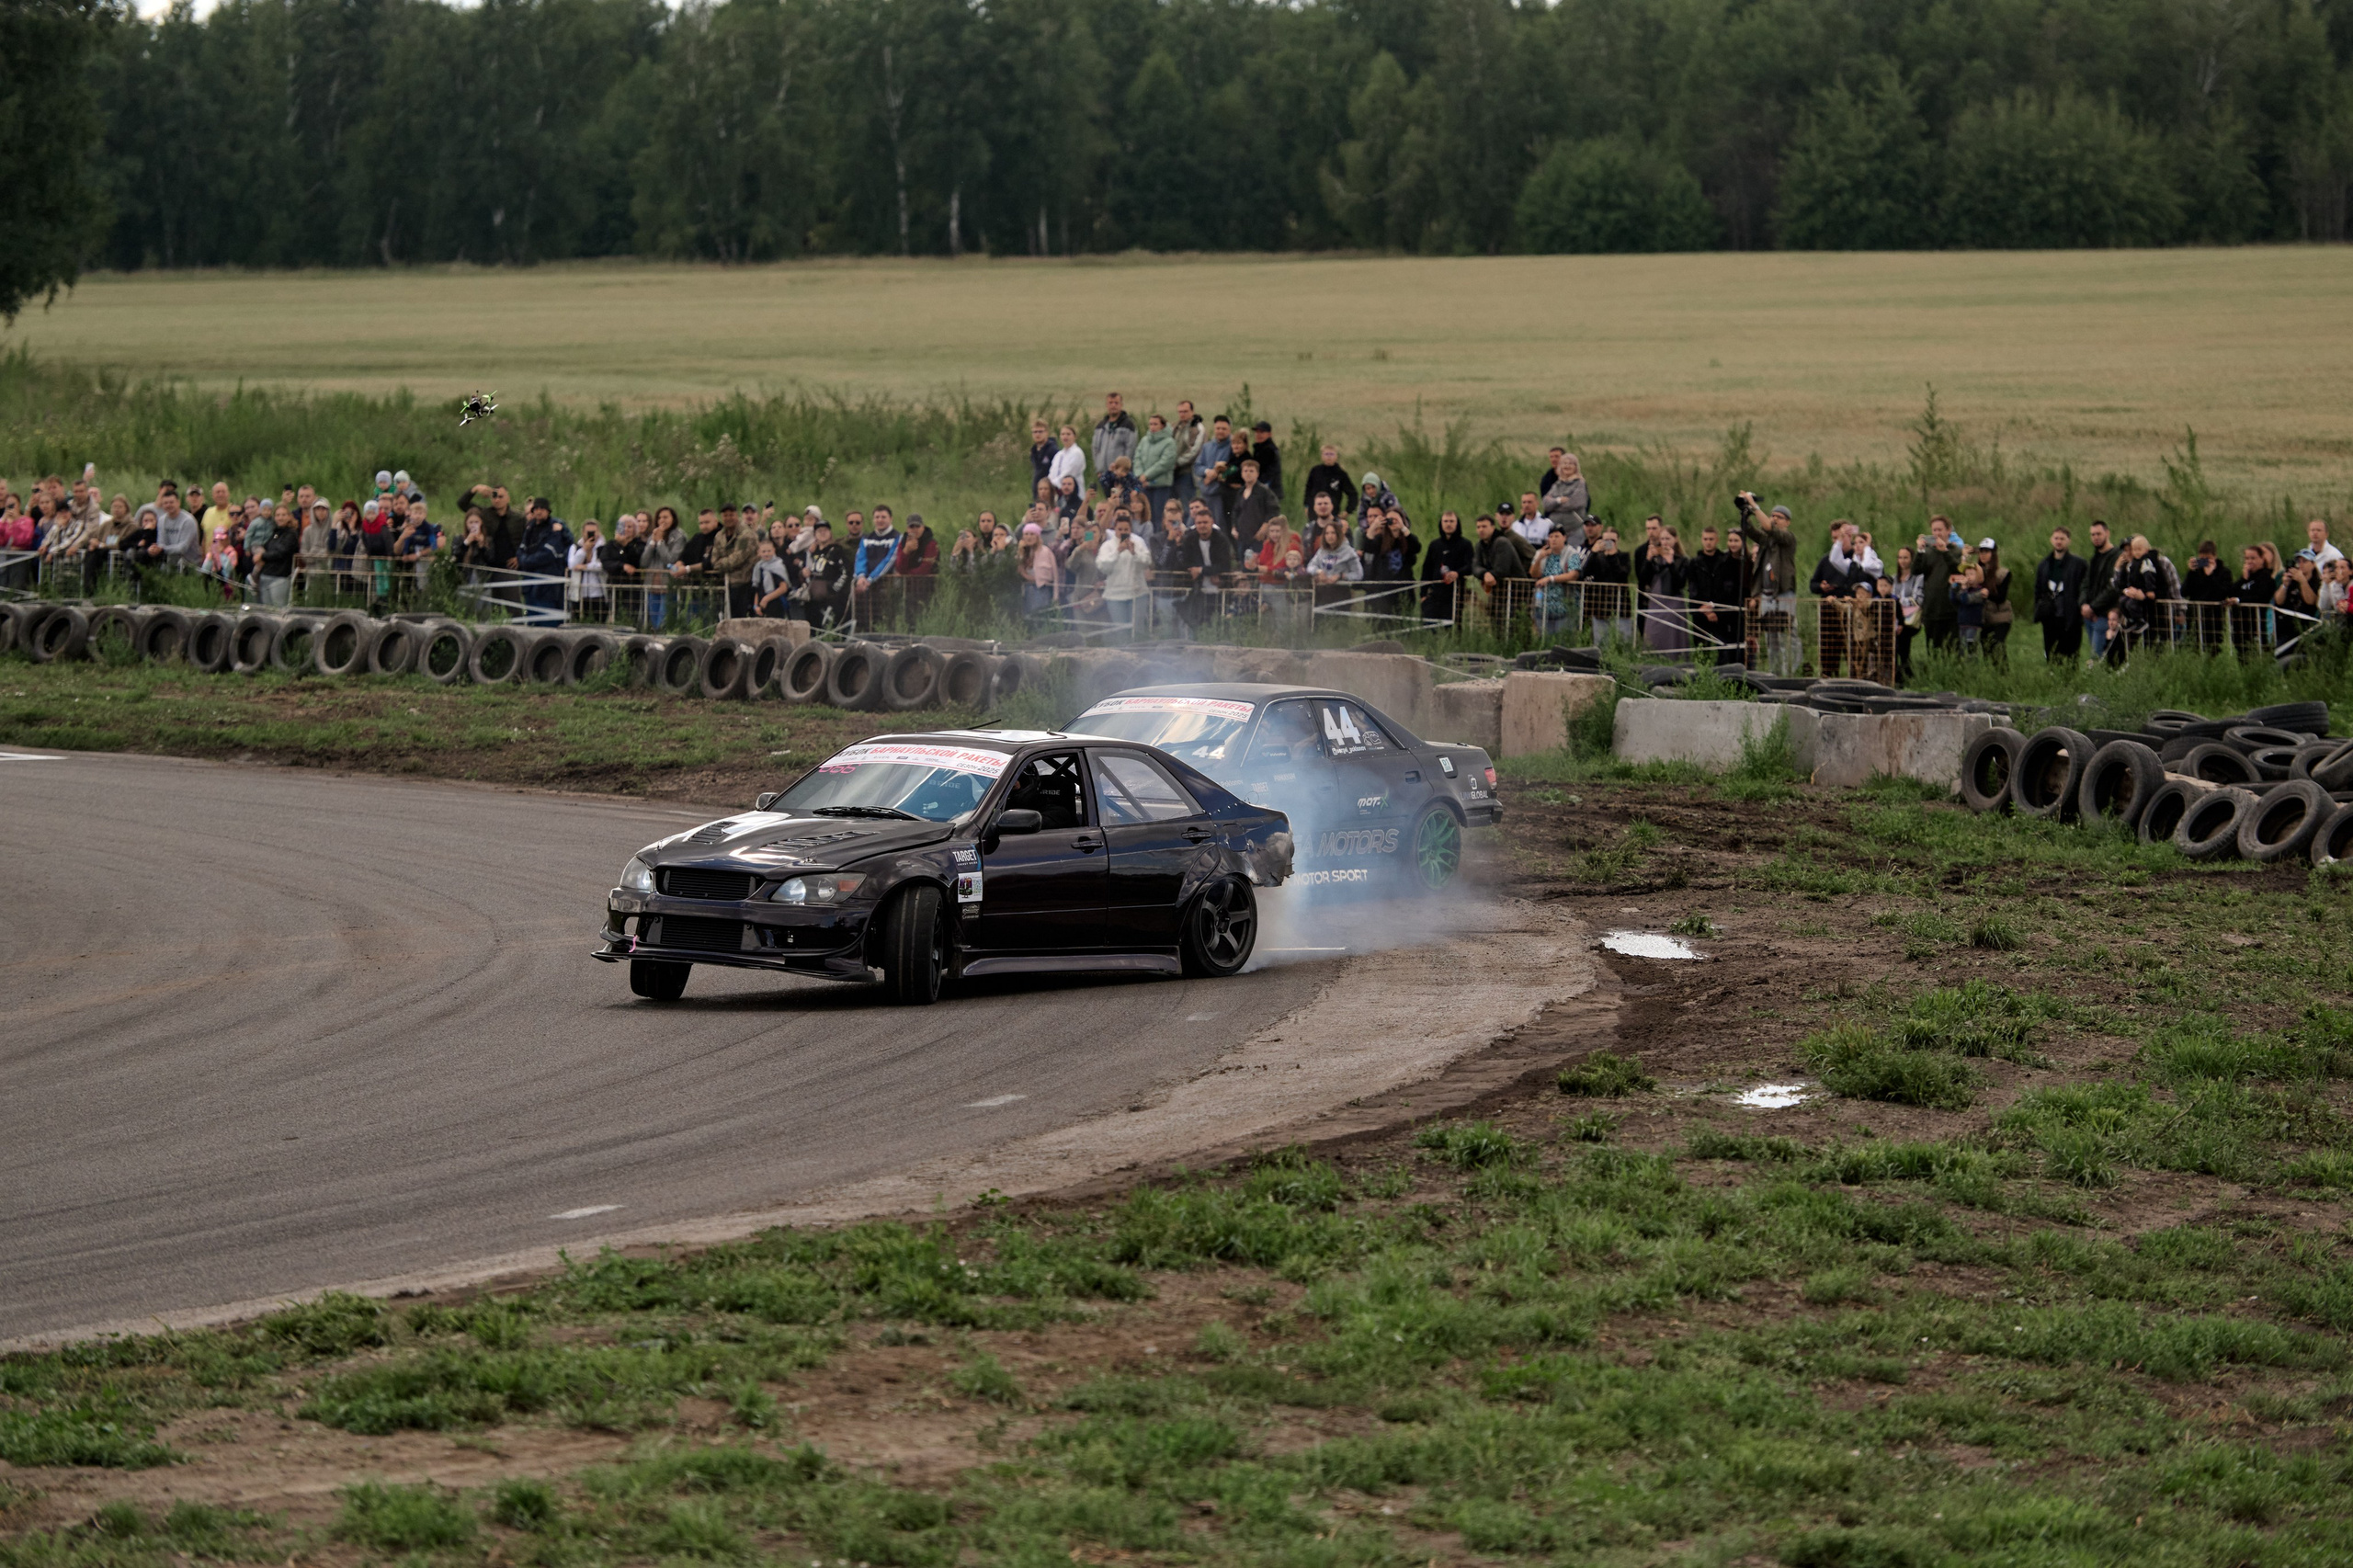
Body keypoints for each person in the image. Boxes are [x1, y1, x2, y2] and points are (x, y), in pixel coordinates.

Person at [1736, 494, 1799, 676]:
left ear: (1787, 522)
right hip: (1767, 594)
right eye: (1772, 515)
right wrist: (1744, 515)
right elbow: (1752, 532)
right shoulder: (1766, 541)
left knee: (1787, 636)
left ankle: (1791, 673)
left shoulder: (1788, 539)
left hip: (1784, 593)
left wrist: (1754, 506)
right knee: (1771, 639)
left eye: (1779, 517)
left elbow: (1768, 528)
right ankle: (1775, 673)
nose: (1774, 519)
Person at [1687, 524, 1744, 665]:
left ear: (1717, 540)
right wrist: (1702, 608)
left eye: (1711, 539)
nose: (1708, 542)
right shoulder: (1695, 563)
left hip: (1721, 613)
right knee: (1701, 650)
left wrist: (1714, 607)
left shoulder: (1726, 561)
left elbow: (1729, 588)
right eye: (1705, 539)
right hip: (1701, 613)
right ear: (1702, 540)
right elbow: (1692, 588)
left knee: (1724, 650)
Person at [2030, 528, 2088, 665]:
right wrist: (2039, 608)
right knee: (2052, 655)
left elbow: (2084, 588)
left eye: (2062, 539)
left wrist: (2079, 609)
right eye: (2056, 538)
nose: (2059, 542)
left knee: (2071, 656)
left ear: (2068, 541)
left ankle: (2070, 683)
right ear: (2051, 540)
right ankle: (2054, 681)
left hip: (2070, 616)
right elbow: (2038, 589)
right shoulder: (2044, 564)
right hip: (2050, 616)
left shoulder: (2079, 564)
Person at [1095, 510, 1151, 640]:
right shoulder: (1107, 546)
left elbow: (1147, 562)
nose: (1123, 532)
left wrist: (1134, 553)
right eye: (1120, 529)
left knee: (1138, 631)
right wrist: (1117, 551)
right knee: (1121, 632)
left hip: (1138, 593)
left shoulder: (1138, 542)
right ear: (1114, 529)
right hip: (1115, 595)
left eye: (1126, 529)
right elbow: (1103, 567)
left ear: (1130, 529)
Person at [1471, 513, 1529, 634]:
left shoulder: (1502, 542)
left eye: (1484, 526)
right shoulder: (1480, 545)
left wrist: (1489, 574)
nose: (1481, 530)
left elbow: (1502, 569)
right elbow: (1475, 566)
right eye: (1478, 527)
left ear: (1492, 527)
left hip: (1516, 592)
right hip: (1499, 592)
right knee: (1497, 625)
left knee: (1515, 626)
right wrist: (1484, 574)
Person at [1914, 516, 1964, 653]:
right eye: (1934, 530)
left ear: (1948, 531)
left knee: (1952, 650)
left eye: (1940, 530)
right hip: (1931, 609)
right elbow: (1916, 570)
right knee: (1933, 650)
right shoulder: (1928, 552)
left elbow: (1958, 569)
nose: (1937, 533)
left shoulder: (1955, 551)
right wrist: (1919, 551)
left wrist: (1945, 552)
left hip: (1950, 609)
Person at [2178, 539, 2233, 652]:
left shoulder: (2224, 572)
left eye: (2208, 559)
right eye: (2202, 559)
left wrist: (2210, 576)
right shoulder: (2196, 572)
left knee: (2213, 649)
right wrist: (2191, 572)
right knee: (2193, 648)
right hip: (2194, 617)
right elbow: (2184, 592)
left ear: (2215, 556)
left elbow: (2222, 593)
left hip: (2214, 618)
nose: (2205, 562)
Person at [1531, 524, 1582, 642]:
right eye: (1551, 536)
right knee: (1544, 640)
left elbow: (1573, 574)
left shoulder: (1572, 553)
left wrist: (1551, 579)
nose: (1553, 539)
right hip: (1542, 606)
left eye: (1557, 536)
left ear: (1564, 538)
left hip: (1564, 607)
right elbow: (1534, 574)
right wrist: (1539, 558)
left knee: (1563, 640)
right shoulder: (1541, 553)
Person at [2081, 519, 2122, 662]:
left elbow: (2113, 587)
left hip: (2104, 614)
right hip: (2090, 614)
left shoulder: (2116, 556)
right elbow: (2086, 584)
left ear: (2107, 533)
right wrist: (2084, 605)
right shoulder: (2095, 558)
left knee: (2098, 656)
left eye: (2098, 534)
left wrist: (2093, 607)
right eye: (2092, 534)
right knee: (2094, 655)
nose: (2095, 537)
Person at [2227, 543, 2276, 657]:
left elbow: (2261, 597)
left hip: (2256, 625)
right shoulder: (2245, 578)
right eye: (2247, 558)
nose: (2249, 561)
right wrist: (2243, 579)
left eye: (2253, 558)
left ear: (2262, 559)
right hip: (2240, 626)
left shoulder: (2266, 578)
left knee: (2257, 655)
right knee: (2242, 657)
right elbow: (2231, 593)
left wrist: (2239, 600)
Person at [801, 519, 849, 629]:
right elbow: (805, 569)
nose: (822, 533)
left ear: (830, 533)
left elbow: (845, 573)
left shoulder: (836, 551)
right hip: (812, 600)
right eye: (819, 531)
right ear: (815, 535)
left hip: (830, 600)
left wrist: (832, 589)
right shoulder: (812, 552)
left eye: (825, 530)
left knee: (828, 627)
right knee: (812, 628)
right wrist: (803, 572)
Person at [1134, 414, 1178, 523]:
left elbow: (1165, 463)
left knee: (1159, 515)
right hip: (1145, 484)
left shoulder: (1169, 442)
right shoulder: (1144, 440)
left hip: (1160, 485)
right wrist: (1140, 475)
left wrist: (1147, 475)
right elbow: (1137, 457)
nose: (1152, 427)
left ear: (1162, 426)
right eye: (1150, 424)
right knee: (1146, 515)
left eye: (1155, 424)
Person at [1973, 540, 2013, 663]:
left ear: (1993, 554)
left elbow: (2001, 597)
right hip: (1983, 618)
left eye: (1987, 552)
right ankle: (1992, 678)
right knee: (1987, 651)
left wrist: (1987, 594)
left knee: (1997, 647)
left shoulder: (2003, 573)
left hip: (2000, 616)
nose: (1983, 555)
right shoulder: (1975, 572)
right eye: (1981, 552)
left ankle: (2003, 676)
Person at [1091, 392, 1137, 495]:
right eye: (1110, 403)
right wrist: (1099, 469)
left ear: (1121, 405)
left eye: (1116, 403)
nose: (1113, 405)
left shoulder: (1128, 425)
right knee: (1108, 502)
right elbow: (1095, 448)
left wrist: (1122, 469)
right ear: (1107, 405)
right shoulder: (1101, 426)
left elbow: (1130, 449)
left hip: (1121, 475)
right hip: (1105, 474)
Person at [1539, 453, 1589, 547]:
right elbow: (1545, 504)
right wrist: (1559, 501)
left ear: (1576, 467)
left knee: (1573, 559)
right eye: (1564, 463)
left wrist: (1554, 506)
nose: (1567, 466)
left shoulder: (1580, 483)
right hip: (1555, 531)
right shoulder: (1557, 484)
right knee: (1555, 559)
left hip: (1574, 529)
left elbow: (1575, 503)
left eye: (1571, 463)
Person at [1016, 520, 1060, 618]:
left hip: (1041, 590)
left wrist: (1056, 596)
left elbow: (1055, 575)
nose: (1029, 537)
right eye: (1026, 534)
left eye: (1032, 534)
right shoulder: (1023, 552)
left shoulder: (1045, 551)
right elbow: (1018, 570)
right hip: (1025, 590)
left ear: (1037, 536)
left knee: (1039, 618)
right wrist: (1020, 552)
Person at [1302, 444, 1352, 524]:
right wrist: (1306, 505)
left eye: (1331, 454)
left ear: (1336, 456)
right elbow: (1308, 489)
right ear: (1322, 456)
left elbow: (1352, 493)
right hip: (1314, 513)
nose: (1329, 457)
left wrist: (1347, 511)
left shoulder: (1341, 474)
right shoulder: (1315, 471)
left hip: (1333, 514)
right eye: (1326, 454)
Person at [568, 521, 609, 616]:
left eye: (594, 532)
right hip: (579, 593)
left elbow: (602, 565)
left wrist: (585, 567)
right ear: (583, 532)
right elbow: (572, 565)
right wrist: (583, 550)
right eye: (588, 532)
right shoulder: (575, 547)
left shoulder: (603, 548)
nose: (591, 534)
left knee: (599, 621)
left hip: (598, 592)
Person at [752, 538, 790, 616]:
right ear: (759, 553)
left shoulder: (778, 566)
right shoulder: (758, 567)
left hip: (776, 603)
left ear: (774, 550)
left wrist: (766, 599)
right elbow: (756, 589)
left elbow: (783, 588)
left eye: (769, 551)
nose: (767, 554)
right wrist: (756, 606)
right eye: (764, 551)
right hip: (761, 606)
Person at [1049, 423, 1087, 494]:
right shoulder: (1058, 455)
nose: (1065, 436)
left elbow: (1069, 472)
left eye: (1068, 434)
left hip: (1073, 493)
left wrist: (1053, 484)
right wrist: (1048, 484)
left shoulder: (1077, 453)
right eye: (1063, 434)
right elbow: (1052, 472)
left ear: (1075, 437)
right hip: (1057, 492)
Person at [1248, 421, 1282, 498]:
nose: (1258, 435)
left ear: (1269, 434)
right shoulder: (1259, 447)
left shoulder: (1269, 450)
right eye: (1257, 432)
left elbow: (1266, 471)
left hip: (1269, 490)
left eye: (1262, 432)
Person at [1027, 419, 1056, 490]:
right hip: (1037, 489)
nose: (1037, 434)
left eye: (1040, 432)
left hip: (1050, 489)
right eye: (1035, 432)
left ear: (1046, 433)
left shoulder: (1053, 450)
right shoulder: (1034, 450)